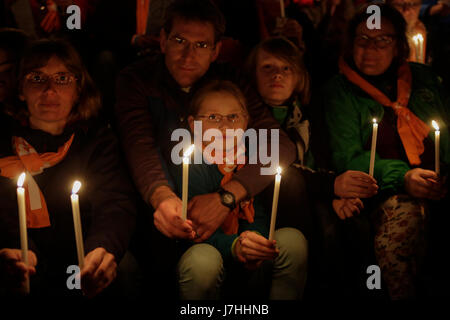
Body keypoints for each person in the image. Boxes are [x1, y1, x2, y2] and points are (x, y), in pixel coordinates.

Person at [114, 0, 296, 298]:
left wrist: (228, 196)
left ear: (215, 50)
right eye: (179, 41)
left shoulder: (230, 80)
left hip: (226, 188)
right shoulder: (137, 79)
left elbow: (278, 145)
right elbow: (139, 146)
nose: (188, 55)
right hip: (166, 196)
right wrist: (162, 198)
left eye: (201, 45)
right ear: (162, 40)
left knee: (292, 185)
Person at [322, 3, 449, 299]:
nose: (370, 49)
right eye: (362, 40)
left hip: (439, 181)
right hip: (389, 191)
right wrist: (404, 177)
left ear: (399, 45)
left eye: (382, 40)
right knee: (398, 238)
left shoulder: (424, 80)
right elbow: (346, 155)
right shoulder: (339, 91)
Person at [241, 36, 379, 297]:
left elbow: (322, 161)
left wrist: (337, 197)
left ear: (299, 77)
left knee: (354, 221)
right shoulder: (246, 120)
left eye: (286, 69)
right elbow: (278, 169)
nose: (277, 76)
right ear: (252, 74)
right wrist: (330, 191)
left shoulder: (307, 117)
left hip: (315, 193)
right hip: (271, 203)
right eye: (267, 68)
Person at [0, 39, 137, 297]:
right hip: (23, 261)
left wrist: (102, 248)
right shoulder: (3, 142)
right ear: (20, 89)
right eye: (37, 77)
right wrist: (15, 251)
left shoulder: (96, 141)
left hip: (82, 254)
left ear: (78, 89)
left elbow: (115, 202)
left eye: (62, 78)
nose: (50, 90)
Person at [170, 79, 308, 300]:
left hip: (248, 254)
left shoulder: (252, 160)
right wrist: (236, 246)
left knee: (292, 240)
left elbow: (259, 211)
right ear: (192, 123)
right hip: (209, 253)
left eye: (233, 117)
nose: (225, 126)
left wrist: (255, 241)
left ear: (246, 122)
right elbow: (195, 229)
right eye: (213, 117)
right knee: (202, 261)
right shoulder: (189, 163)